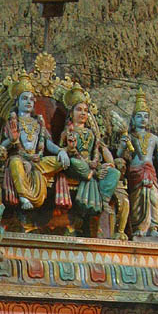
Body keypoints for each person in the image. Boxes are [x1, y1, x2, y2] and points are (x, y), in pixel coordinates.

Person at [0, 72, 69, 211]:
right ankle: (24, 196)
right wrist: (11, 140)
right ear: (17, 102)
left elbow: (47, 143)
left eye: (31, 99)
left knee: (62, 162)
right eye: (24, 99)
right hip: (20, 158)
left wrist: (61, 151)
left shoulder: (38, 123)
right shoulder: (12, 122)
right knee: (15, 162)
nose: (28, 102)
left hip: (37, 160)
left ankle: (34, 181)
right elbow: (0, 147)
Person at [61, 83, 120, 218]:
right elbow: (60, 150)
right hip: (77, 164)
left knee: (114, 173)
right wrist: (69, 149)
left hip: (92, 165)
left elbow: (102, 149)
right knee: (77, 164)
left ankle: (104, 200)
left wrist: (109, 164)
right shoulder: (67, 132)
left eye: (85, 110)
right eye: (79, 109)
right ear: (71, 113)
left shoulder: (92, 133)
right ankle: (92, 175)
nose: (82, 113)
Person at [118, 87, 158, 238]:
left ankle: (153, 226)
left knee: (153, 198)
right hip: (136, 171)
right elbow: (119, 155)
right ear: (134, 119)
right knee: (138, 198)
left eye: (146, 116)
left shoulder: (155, 139)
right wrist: (123, 145)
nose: (143, 119)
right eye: (139, 116)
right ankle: (139, 227)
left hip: (150, 170)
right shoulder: (130, 136)